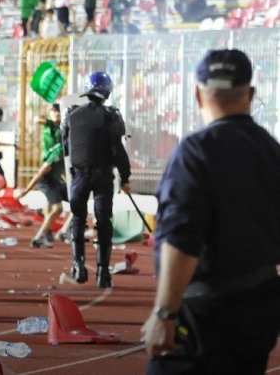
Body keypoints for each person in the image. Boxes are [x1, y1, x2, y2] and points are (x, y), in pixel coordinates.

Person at [141, 49, 280, 374]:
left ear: (198, 94)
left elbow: (181, 238)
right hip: (260, 305)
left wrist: (165, 314)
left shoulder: (195, 152)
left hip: (205, 311)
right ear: (251, 94)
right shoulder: (271, 150)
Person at [62, 72, 131, 288]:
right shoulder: (112, 116)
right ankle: (103, 273)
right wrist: (125, 177)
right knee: (103, 221)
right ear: (107, 91)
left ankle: (78, 266)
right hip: (103, 176)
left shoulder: (71, 115)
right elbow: (118, 150)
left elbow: (66, 148)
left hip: (78, 175)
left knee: (77, 219)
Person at [16, 104, 67, 248]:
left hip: (55, 179)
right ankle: (39, 237)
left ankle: (62, 231)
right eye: (54, 112)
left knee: (78, 202)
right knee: (57, 208)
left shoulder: (63, 134)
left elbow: (64, 170)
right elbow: (41, 173)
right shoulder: (51, 129)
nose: (57, 114)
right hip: (46, 175)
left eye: (59, 112)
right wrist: (26, 190)